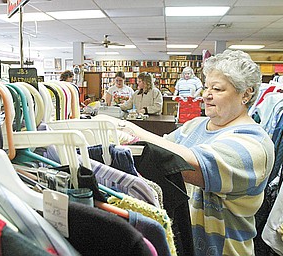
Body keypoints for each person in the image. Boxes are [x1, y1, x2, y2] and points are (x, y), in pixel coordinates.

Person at [99, 50, 275, 255]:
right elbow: (155, 152)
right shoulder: (195, 125)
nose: (206, 95)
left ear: (246, 94)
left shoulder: (254, 144)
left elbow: (183, 162)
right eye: (206, 86)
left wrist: (125, 127)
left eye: (217, 89)